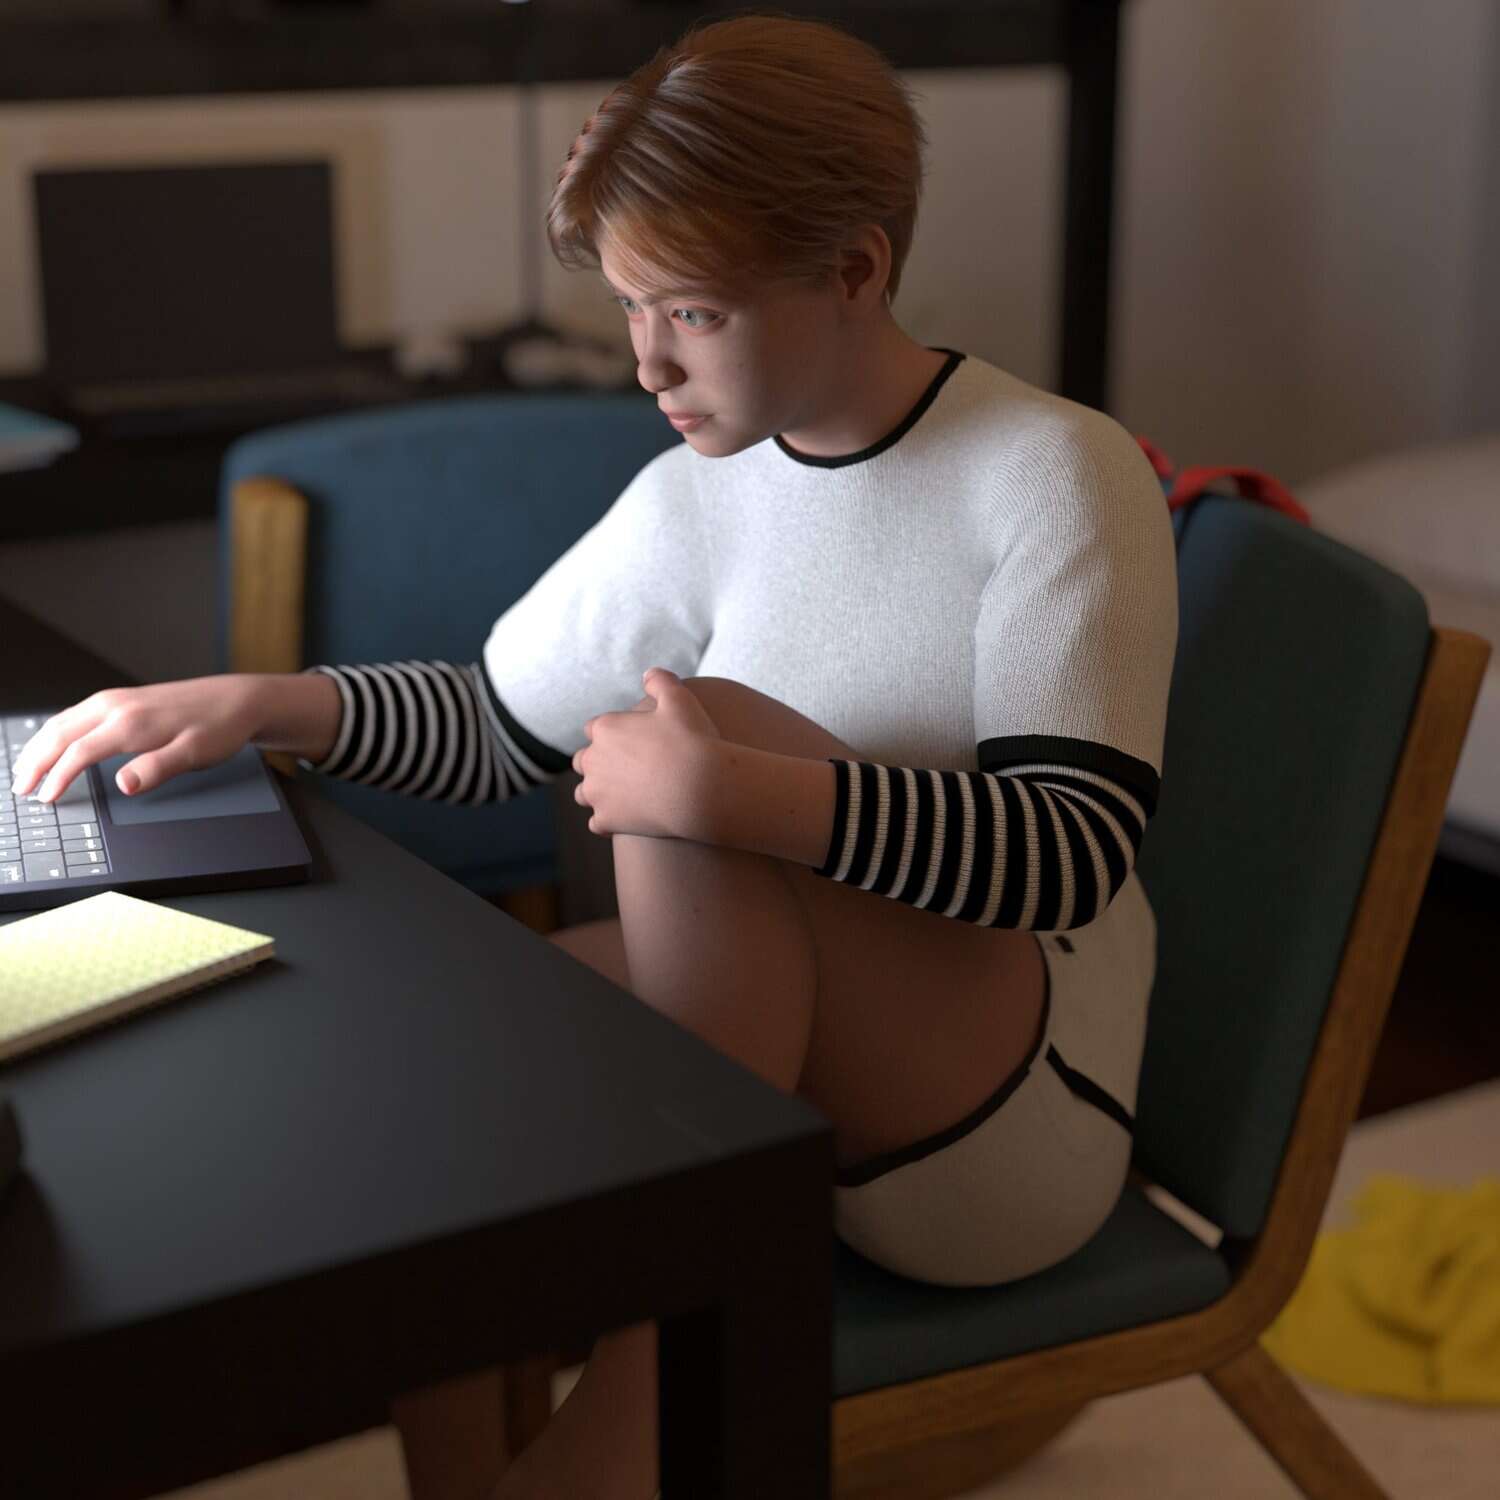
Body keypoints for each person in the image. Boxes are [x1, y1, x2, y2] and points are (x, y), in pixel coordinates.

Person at [10, 13, 1177, 1497]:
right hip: (791, 1065)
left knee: (706, 739)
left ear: (855, 268)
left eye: (689, 312)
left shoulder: (1054, 473)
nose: (646, 364)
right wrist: (260, 703)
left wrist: (736, 791)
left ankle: (641, 1400)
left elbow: (1069, 853)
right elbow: (502, 725)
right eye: (631, 310)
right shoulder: (701, 485)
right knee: (436, 1064)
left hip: (1000, 1133)